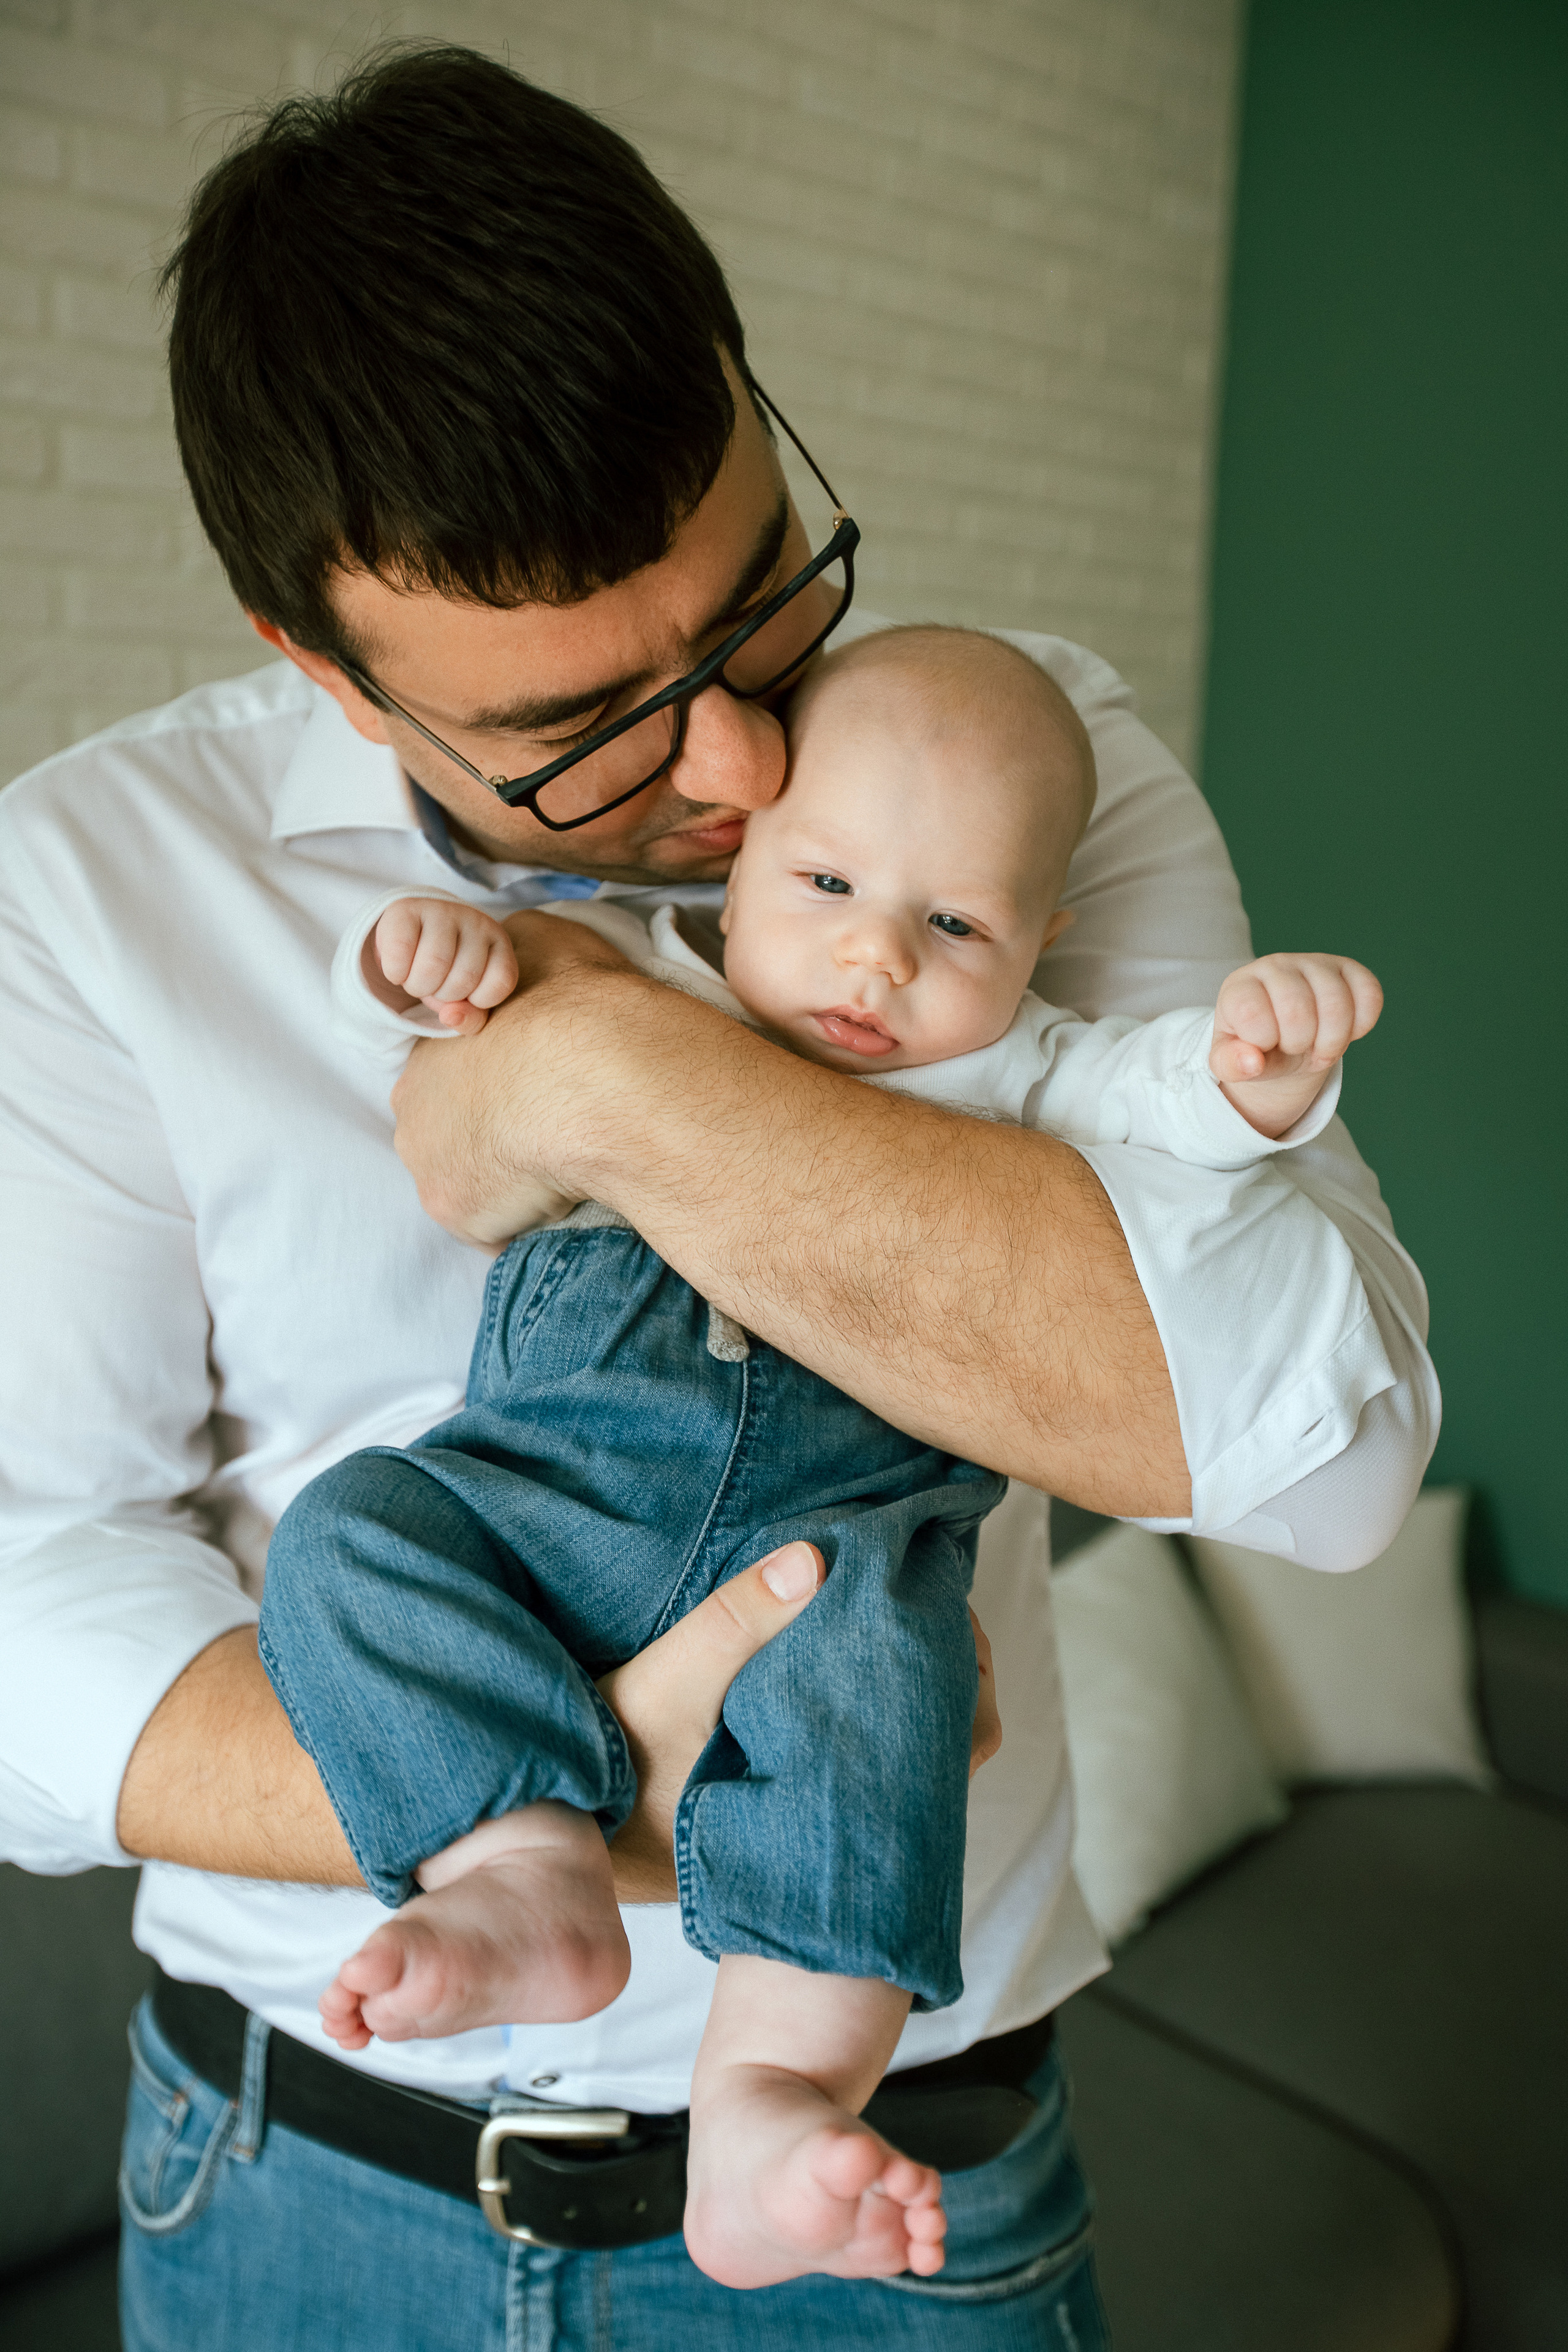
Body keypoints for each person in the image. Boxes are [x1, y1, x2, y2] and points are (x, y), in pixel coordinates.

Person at [0, 44, 1437, 2352]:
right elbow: (26, 1580)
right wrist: (554, 1796)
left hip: (902, 2179)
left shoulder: (1018, 767)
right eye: (592, 726)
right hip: (300, 2167)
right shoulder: (85, 891)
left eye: (767, 596)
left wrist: (603, 1069)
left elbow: (1327, 1459)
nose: (751, 764)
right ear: (329, 671)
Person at [258, 622, 1382, 2293]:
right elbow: (445, 1042)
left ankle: (776, 2097)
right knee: (349, 1533)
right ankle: (516, 1868)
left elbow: (1181, 1101)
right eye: (831, 890)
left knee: (887, 1685)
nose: (875, 965)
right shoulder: (640, 983)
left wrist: (1263, 1071)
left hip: (840, 1545)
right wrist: (416, 966)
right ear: (742, 864)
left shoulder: (1033, 1072)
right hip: (544, 1510)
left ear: (1042, 941)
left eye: (953, 925)